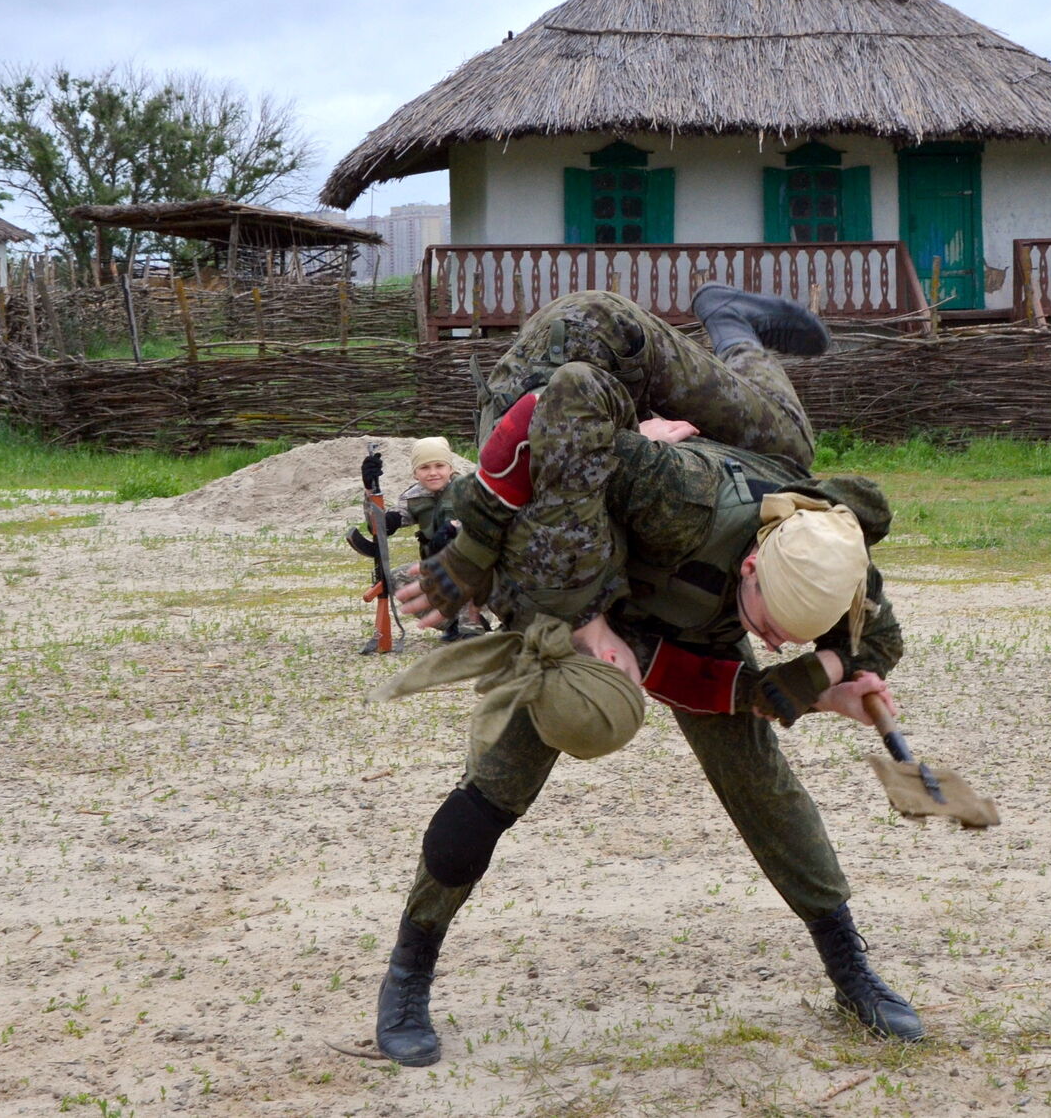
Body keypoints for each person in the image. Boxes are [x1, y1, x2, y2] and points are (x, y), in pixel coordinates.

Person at [368, 286, 924, 1068]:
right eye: (770, 622)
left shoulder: (824, 546)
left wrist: (826, 674)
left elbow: (880, 636)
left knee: (761, 783)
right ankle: (408, 971)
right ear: (753, 562)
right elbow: (553, 419)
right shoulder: (673, 490)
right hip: (574, 536)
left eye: (787, 637)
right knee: (498, 782)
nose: (773, 641)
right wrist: (572, 612)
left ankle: (849, 967)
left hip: (688, 600)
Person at [347, 438, 488, 642]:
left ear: (450, 468)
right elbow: (380, 527)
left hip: (478, 569)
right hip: (438, 567)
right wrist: (370, 490)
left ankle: (472, 625)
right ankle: (452, 623)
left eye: (439, 466)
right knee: (396, 578)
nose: (432, 473)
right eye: (424, 467)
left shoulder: (468, 489)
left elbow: (487, 523)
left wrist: (455, 529)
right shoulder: (414, 497)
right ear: (415, 473)